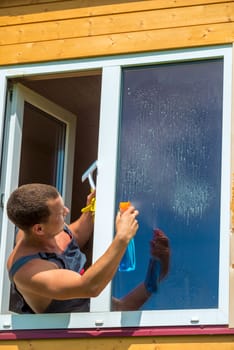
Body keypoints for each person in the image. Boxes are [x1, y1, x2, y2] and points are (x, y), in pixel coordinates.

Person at [6, 183, 170, 314]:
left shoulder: (43, 231)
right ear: (39, 229)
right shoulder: (28, 272)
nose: (67, 211)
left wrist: (91, 209)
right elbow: (89, 286)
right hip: (75, 336)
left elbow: (74, 234)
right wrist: (122, 237)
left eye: (63, 206)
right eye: (60, 213)